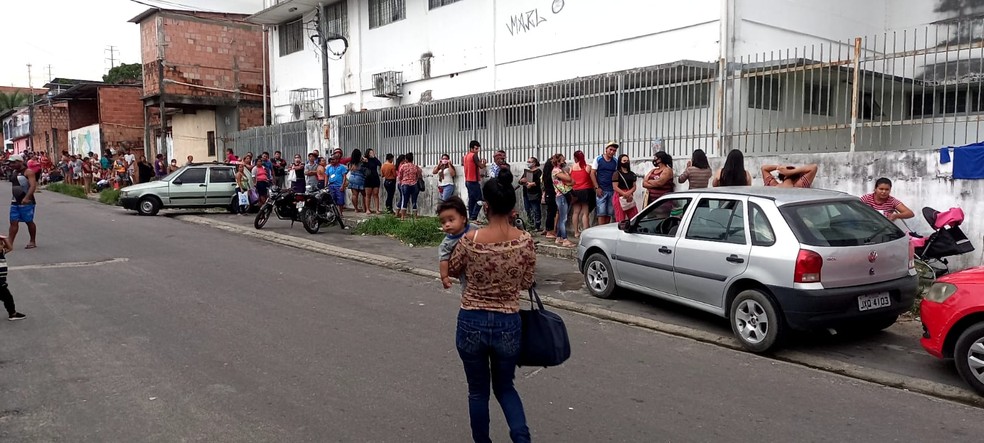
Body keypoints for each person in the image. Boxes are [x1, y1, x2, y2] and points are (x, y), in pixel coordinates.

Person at [446, 169, 536, 443]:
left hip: (471, 321)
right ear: (512, 208)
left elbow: (452, 269)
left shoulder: (469, 241)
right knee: (506, 388)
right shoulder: (525, 241)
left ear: (486, 206)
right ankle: (522, 438)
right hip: (508, 322)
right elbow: (527, 282)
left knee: (477, 391)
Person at [437, 196, 474, 290]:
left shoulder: (474, 229)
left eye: (451, 220)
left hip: (481, 267)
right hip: (465, 274)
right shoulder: (446, 244)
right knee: (467, 290)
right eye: (443, 222)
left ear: (463, 219)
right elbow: (443, 260)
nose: (447, 224)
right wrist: (444, 277)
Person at [7, 155, 38, 250]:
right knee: (13, 221)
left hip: (27, 201)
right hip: (15, 201)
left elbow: (33, 186)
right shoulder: (14, 172)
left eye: (14, 162)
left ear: (20, 161)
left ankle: (32, 241)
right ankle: (9, 243)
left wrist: (27, 197)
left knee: (28, 221)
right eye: (10, 163)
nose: (11, 164)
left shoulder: (28, 172)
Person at [590, 141, 619, 225]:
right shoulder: (598, 159)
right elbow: (592, 173)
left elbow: (617, 174)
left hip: (612, 190)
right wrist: (597, 187)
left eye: (614, 150)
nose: (612, 152)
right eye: (610, 149)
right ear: (606, 149)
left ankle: (606, 229)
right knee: (601, 213)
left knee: (609, 213)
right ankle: (601, 230)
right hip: (601, 190)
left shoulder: (615, 161)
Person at [551, 154, 576, 248]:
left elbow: (572, 182)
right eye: (563, 160)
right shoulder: (556, 171)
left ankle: (559, 237)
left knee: (562, 217)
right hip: (561, 196)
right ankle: (565, 239)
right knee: (563, 219)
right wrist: (568, 175)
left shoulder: (559, 170)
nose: (564, 162)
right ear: (558, 161)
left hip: (563, 195)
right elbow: (569, 179)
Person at [0, 234, 26, 321]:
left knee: (7, 298)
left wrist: (5, 239)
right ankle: (12, 314)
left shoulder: (2, 253)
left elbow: (10, 248)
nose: (2, 246)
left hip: (2, 282)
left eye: (2, 244)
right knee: (8, 298)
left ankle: (12, 313)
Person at [569, 150, 593, 238]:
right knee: (585, 213)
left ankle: (576, 232)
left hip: (575, 191)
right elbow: (592, 178)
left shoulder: (571, 167)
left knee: (576, 212)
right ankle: (586, 232)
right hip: (585, 191)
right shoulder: (587, 167)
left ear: (575, 158)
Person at [463, 141, 486, 221]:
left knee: (472, 200)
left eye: (478, 149)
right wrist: (484, 163)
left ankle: (471, 218)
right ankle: (473, 216)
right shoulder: (474, 155)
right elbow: (481, 166)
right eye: (476, 149)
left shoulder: (466, 156)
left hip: (467, 181)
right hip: (473, 181)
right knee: (479, 200)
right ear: (472, 148)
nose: (477, 150)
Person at [518, 157, 542, 232]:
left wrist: (532, 184)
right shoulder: (527, 172)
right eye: (528, 161)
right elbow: (520, 181)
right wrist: (521, 181)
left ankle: (537, 226)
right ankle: (530, 224)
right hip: (526, 193)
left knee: (536, 210)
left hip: (534, 193)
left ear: (534, 163)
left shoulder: (538, 171)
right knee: (527, 209)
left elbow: (539, 182)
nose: (528, 163)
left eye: (529, 162)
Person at [613, 154, 639, 222]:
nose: (626, 162)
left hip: (630, 195)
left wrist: (629, 193)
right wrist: (624, 194)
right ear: (620, 162)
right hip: (619, 196)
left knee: (634, 216)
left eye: (627, 161)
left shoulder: (632, 174)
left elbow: (634, 186)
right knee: (620, 217)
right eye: (624, 161)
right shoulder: (616, 174)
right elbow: (615, 187)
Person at [397, 152, 422, 220]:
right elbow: (418, 175)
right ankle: (415, 217)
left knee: (404, 200)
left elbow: (400, 176)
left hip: (405, 185)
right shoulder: (415, 166)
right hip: (414, 185)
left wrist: (401, 182)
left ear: (406, 159)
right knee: (414, 201)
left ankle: (402, 217)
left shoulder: (403, 166)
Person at [541, 155, 558, 239]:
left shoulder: (545, 175)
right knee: (551, 213)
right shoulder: (552, 174)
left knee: (550, 212)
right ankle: (549, 231)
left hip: (548, 193)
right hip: (551, 193)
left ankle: (548, 229)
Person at [363, 149, 382, 213]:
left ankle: (377, 209)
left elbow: (379, 163)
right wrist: (366, 161)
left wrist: (374, 157)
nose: (372, 153)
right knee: (368, 195)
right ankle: (367, 209)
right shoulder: (365, 160)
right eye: (371, 152)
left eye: (373, 152)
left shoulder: (374, 159)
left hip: (375, 178)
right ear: (368, 153)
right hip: (368, 178)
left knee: (376, 194)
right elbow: (366, 168)